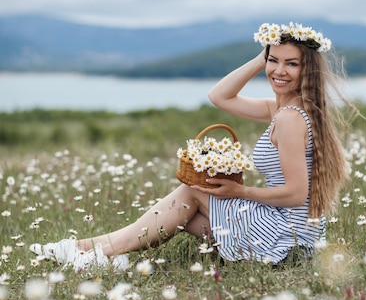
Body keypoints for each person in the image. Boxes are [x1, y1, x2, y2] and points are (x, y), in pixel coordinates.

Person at [30, 22, 348, 271]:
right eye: (274, 61)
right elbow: (219, 96)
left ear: (308, 69)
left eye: (291, 64)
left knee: (193, 192)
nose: (279, 71)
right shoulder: (283, 108)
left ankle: (90, 250)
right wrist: (259, 58)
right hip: (295, 233)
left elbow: (295, 193)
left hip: (285, 233)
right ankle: (99, 253)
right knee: (186, 216)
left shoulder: (291, 118)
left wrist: (239, 192)